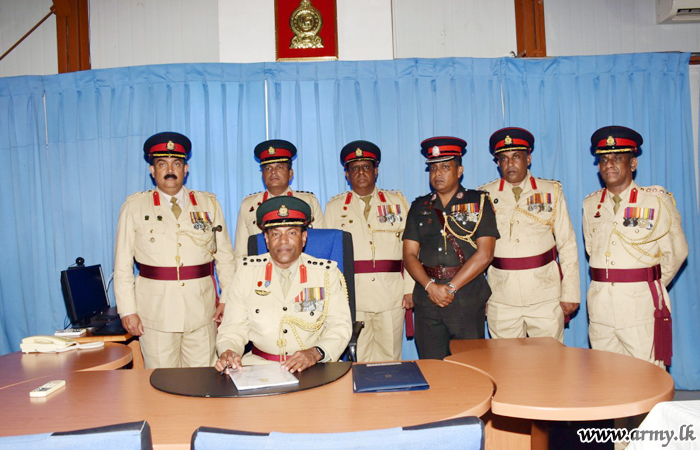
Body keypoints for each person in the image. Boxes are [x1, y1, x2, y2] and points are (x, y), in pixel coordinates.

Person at [114, 132, 236, 368]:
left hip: (202, 311)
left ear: (185, 169)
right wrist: (127, 310)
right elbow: (122, 266)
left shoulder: (208, 204)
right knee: (161, 380)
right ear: (152, 170)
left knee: (203, 380)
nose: (170, 170)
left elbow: (225, 258)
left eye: (176, 164)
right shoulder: (134, 207)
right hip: (155, 314)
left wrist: (227, 301)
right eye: (162, 164)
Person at [583, 125, 688, 366]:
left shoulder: (655, 200)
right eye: (603, 159)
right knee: (605, 374)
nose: (609, 165)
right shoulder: (590, 204)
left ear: (632, 164)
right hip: (601, 309)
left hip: (640, 308)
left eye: (617, 158)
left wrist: (648, 284)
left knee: (647, 375)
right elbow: (592, 249)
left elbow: (677, 251)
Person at [216, 196, 352, 373]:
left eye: (292, 233)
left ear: (304, 238)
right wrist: (228, 351)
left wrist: (315, 352)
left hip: (313, 367)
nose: (283, 241)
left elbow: (340, 326)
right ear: (266, 239)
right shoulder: (246, 274)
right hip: (258, 367)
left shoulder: (326, 274)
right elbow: (233, 328)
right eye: (275, 234)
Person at [479, 127, 579, 342]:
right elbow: (476, 251)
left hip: (545, 295)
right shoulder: (484, 195)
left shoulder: (551, 191)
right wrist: (480, 297)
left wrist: (570, 293)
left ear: (529, 159)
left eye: (516, 156)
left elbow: (567, 243)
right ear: (497, 163)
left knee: (550, 359)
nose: (510, 164)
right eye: (503, 159)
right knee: (504, 360)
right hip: (501, 295)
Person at [402, 136, 499, 359]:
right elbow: (409, 254)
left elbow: (485, 254)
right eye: (433, 168)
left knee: (470, 366)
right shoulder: (419, 206)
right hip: (427, 299)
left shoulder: (479, 202)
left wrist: (450, 288)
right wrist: (430, 287)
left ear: (459, 171)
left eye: (445, 167)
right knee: (432, 367)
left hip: (466, 297)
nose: (438, 173)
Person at [324, 140, 414, 362]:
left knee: (391, 358)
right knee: (359, 359)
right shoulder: (335, 207)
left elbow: (411, 248)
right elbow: (328, 257)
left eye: (366, 167)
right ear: (347, 174)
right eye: (355, 168)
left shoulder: (398, 202)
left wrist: (410, 289)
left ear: (376, 171)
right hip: (354, 296)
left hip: (391, 294)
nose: (361, 173)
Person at [232, 139, 324, 257]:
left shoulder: (309, 202)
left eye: (279, 167)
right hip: (260, 267)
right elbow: (241, 253)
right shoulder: (248, 205)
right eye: (268, 168)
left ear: (290, 173)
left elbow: (321, 245)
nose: (273, 172)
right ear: (262, 174)